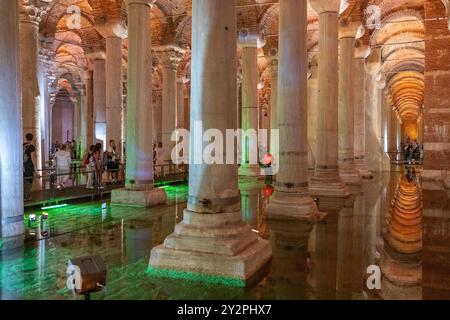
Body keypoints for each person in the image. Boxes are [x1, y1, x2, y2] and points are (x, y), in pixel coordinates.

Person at [23, 133, 36, 201]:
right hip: (29, 166)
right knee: (29, 180)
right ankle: (27, 196)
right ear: (32, 138)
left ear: (26, 138)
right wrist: (35, 167)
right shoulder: (31, 147)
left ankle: (24, 196)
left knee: (24, 180)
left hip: (23, 166)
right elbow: (33, 157)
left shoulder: (23, 145)